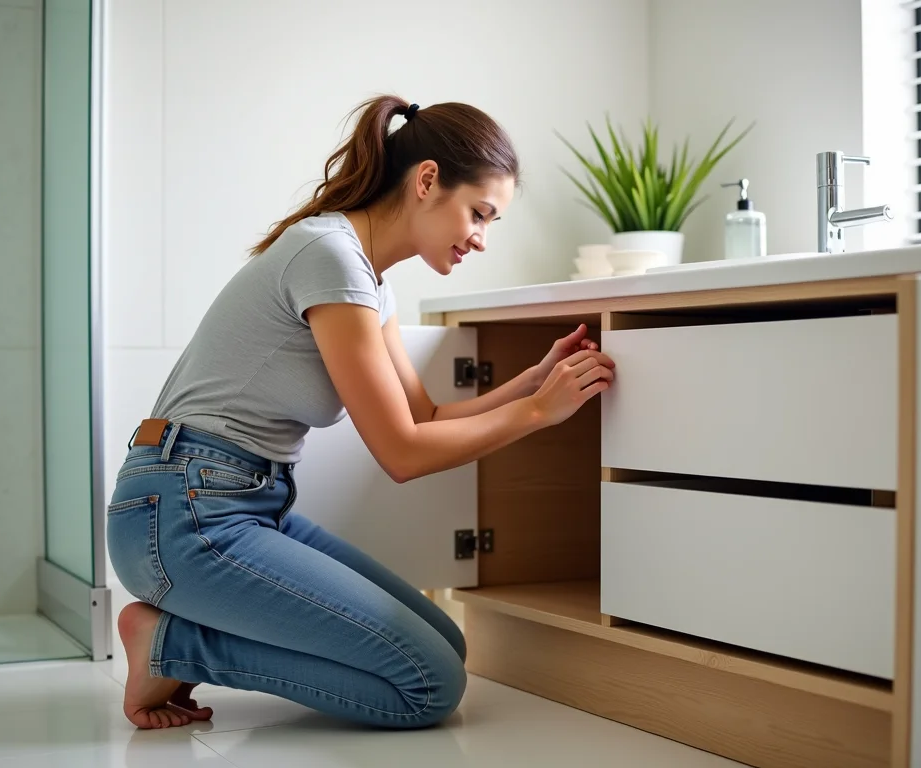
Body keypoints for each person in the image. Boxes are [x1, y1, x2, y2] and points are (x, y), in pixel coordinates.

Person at [108, 95, 616, 731]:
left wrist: (532, 381)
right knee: (428, 686)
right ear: (427, 180)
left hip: (241, 503)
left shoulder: (371, 278)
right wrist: (539, 413)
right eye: (479, 214)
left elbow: (424, 415)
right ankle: (169, 647)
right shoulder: (331, 255)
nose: (482, 238)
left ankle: (176, 638)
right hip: (184, 512)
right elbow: (402, 453)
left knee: (447, 648)